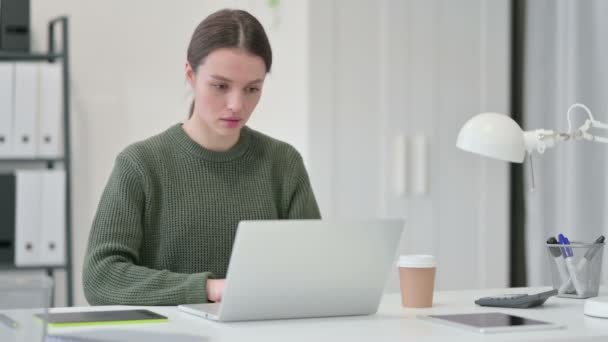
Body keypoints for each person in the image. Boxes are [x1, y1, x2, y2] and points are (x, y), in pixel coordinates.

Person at [82, 9, 321, 306]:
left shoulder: (283, 164)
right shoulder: (140, 165)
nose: (237, 104)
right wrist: (208, 289)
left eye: (252, 89)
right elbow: (100, 278)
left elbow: (312, 272)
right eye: (220, 86)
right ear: (191, 76)